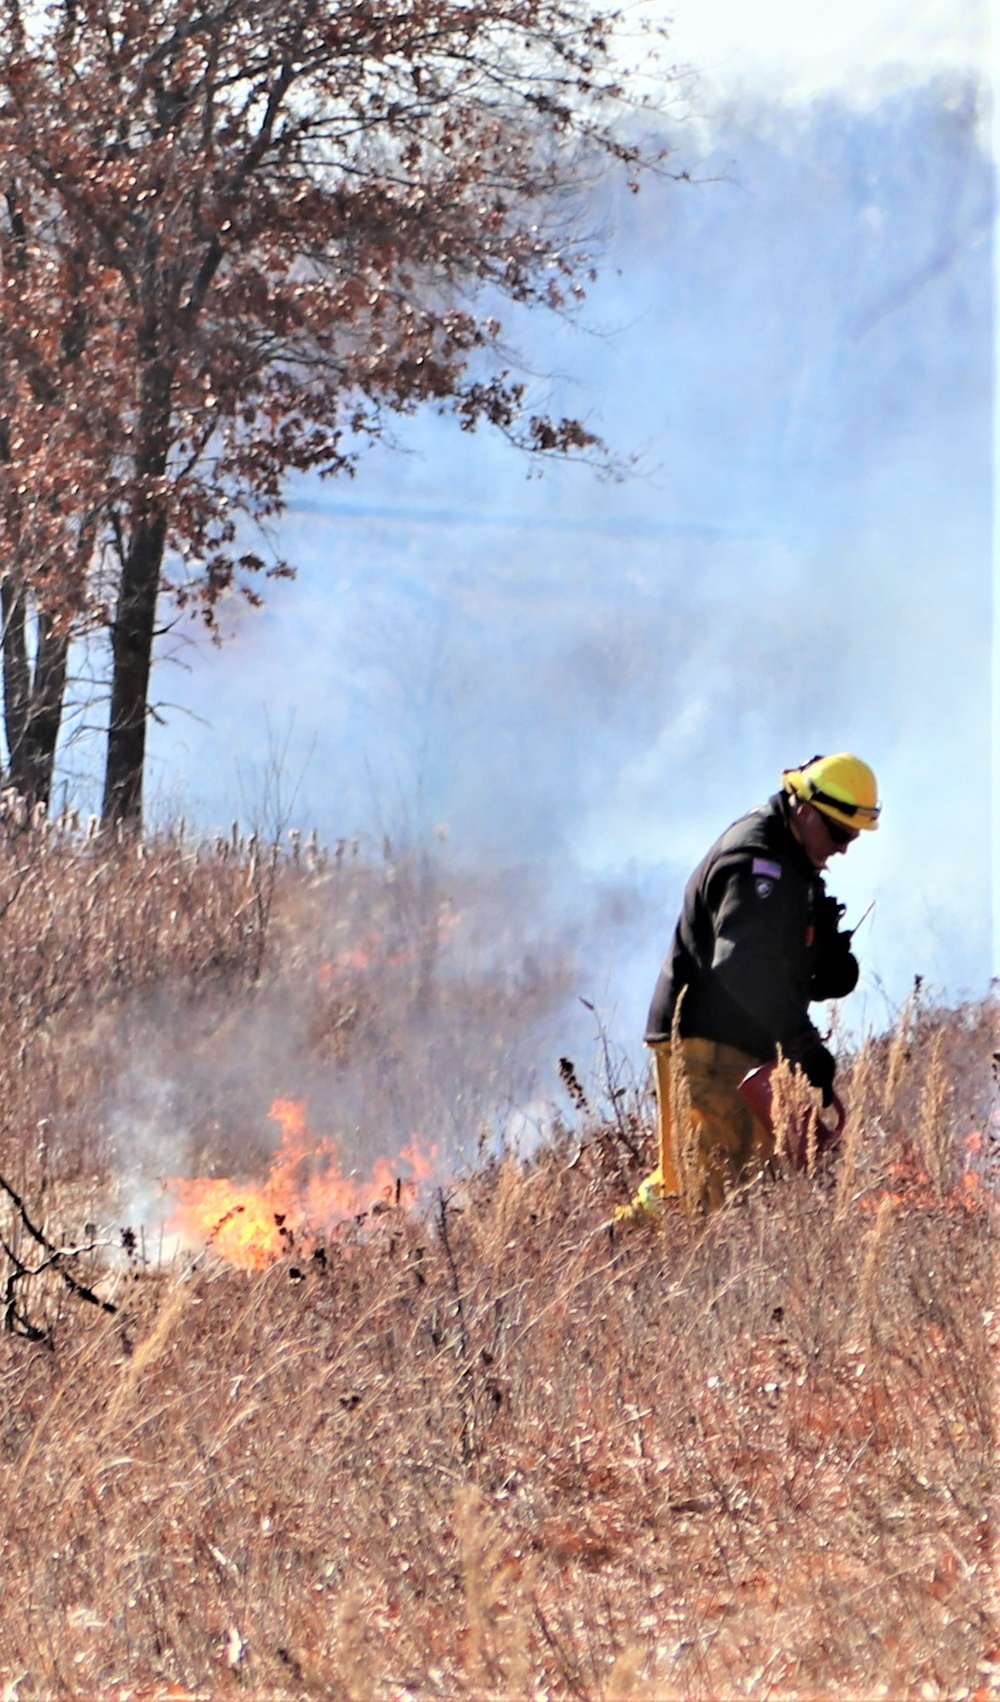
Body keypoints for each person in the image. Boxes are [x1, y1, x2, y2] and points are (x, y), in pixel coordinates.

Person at [617, 753, 879, 1219]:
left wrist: (819, 965)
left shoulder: (791, 859)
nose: (842, 848)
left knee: (724, 1179)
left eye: (852, 837)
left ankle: (624, 1246)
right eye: (838, 833)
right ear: (805, 808)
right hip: (704, 1043)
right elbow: (741, 963)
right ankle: (621, 1249)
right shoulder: (755, 860)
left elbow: (766, 959)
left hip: (741, 1045)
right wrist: (800, 1041)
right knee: (706, 1187)